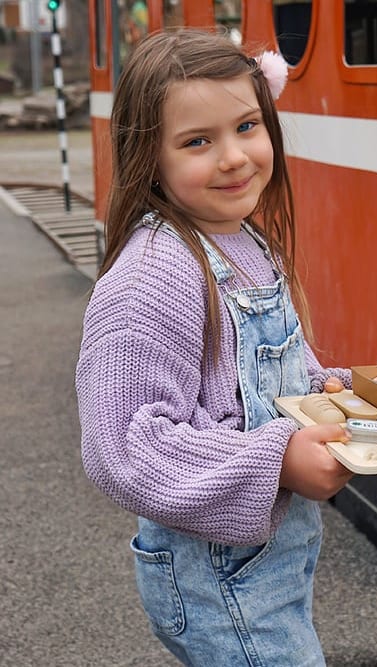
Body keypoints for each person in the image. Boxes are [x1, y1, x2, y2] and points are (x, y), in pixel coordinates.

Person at [75, 29, 354, 666]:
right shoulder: (153, 277)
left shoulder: (247, 241)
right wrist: (278, 461)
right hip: (215, 581)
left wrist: (338, 394)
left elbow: (276, 377)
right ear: (150, 156)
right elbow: (122, 446)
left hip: (261, 570)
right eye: (198, 141)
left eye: (248, 126)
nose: (233, 157)